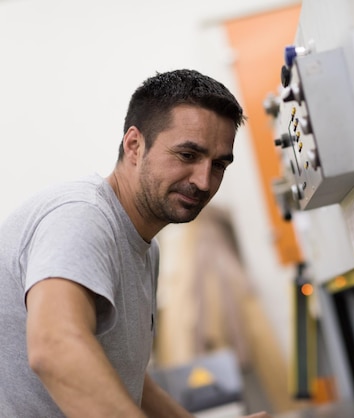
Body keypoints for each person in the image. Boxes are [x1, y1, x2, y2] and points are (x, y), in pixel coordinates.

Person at [0, 69, 270, 418]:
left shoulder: (145, 247)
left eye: (218, 165)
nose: (204, 181)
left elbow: (125, 377)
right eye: (188, 155)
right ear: (134, 145)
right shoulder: (82, 216)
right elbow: (54, 347)